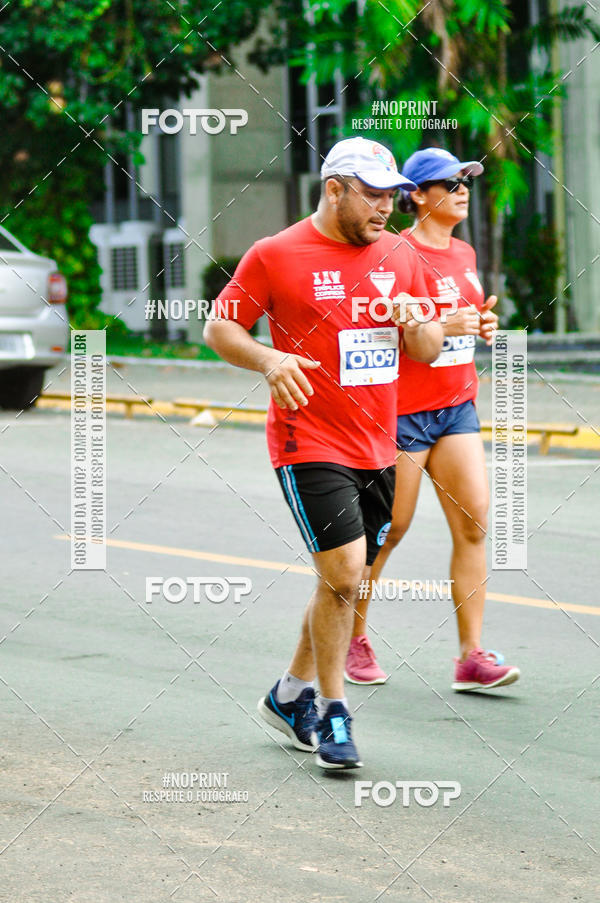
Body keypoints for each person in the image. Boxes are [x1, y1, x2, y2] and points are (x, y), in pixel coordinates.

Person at [204, 137, 443, 769]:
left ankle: (288, 694)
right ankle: (333, 711)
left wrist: (417, 321)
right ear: (334, 188)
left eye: (393, 196)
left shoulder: (400, 253)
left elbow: (426, 348)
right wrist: (270, 357)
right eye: (372, 194)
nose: (386, 208)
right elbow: (221, 325)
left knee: (344, 580)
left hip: (378, 443)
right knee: (343, 575)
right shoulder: (275, 254)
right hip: (306, 439)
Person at [345, 147, 521, 692]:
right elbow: (382, 325)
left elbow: (460, 323)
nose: (463, 189)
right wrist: (448, 322)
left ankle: (471, 657)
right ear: (417, 195)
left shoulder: (464, 252)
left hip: (457, 405)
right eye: (449, 183)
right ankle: (352, 640)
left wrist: (478, 325)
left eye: (466, 180)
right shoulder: (392, 252)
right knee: (388, 531)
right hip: (403, 412)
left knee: (473, 525)